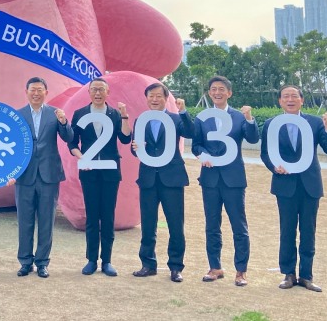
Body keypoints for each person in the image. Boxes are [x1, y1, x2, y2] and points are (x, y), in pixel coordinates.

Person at [260, 85, 327, 292]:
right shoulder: (271, 124)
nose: (290, 99)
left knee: (308, 231)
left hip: (310, 185)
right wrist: (274, 167)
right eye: (285, 96)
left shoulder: (314, 122)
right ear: (280, 101)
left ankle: (306, 276)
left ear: (302, 100)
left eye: (294, 95)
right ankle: (288, 274)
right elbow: (265, 154)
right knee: (287, 231)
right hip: (284, 185)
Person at [191, 75, 260, 287]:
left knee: (239, 226)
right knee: (212, 225)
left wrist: (249, 119)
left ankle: (241, 271)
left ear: (229, 93)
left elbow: (253, 138)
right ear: (209, 93)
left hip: (233, 179)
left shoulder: (239, 117)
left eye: (222, 89)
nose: (217, 92)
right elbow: (196, 145)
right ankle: (215, 267)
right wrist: (203, 157)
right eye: (213, 89)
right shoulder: (202, 117)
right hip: (210, 179)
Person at [67, 77, 131, 277]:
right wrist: (82, 158)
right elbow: (72, 143)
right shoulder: (80, 114)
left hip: (111, 173)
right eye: (94, 89)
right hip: (89, 173)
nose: (97, 93)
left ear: (107, 92)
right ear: (89, 92)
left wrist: (125, 116)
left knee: (108, 216)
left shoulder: (114, 114)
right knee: (92, 216)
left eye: (101, 90)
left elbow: (126, 138)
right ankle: (91, 260)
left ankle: (107, 261)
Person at [10, 76, 73, 279]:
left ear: (46, 92)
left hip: (49, 175)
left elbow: (69, 137)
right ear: (26, 92)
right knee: (24, 221)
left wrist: (64, 123)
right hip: (24, 175)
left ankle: (43, 262)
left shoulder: (55, 114)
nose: (36, 93)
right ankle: (25, 262)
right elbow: (12, 147)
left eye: (39, 90)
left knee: (46, 221)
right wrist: (10, 172)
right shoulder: (17, 115)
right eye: (32, 90)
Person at [131, 82, 194, 282]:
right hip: (148, 178)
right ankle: (148, 264)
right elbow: (136, 150)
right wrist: (135, 147)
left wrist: (184, 112)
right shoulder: (141, 120)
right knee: (148, 224)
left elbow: (191, 132)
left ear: (166, 98)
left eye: (159, 95)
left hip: (172, 179)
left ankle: (176, 267)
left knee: (176, 224)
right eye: (151, 96)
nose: (155, 99)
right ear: (146, 98)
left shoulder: (175, 119)